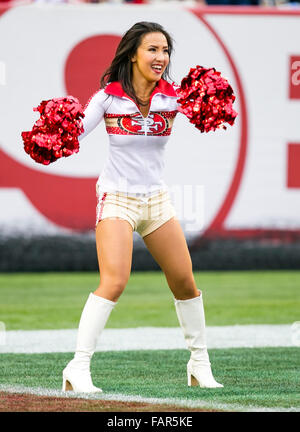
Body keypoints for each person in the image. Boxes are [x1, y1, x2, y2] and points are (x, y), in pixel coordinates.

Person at [62, 21, 223, 393]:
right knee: (114, 281)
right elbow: (72, 136)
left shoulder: (174, 97)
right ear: (133, 53)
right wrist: (54, 134)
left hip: (156, 200)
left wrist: (213, 103)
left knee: (185, 283)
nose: (160, 57)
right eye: (152, 49)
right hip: (117, 197)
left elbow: (209, 112)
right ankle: (78, 366)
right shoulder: (108, 98)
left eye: (165, 51)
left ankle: (199, 364)